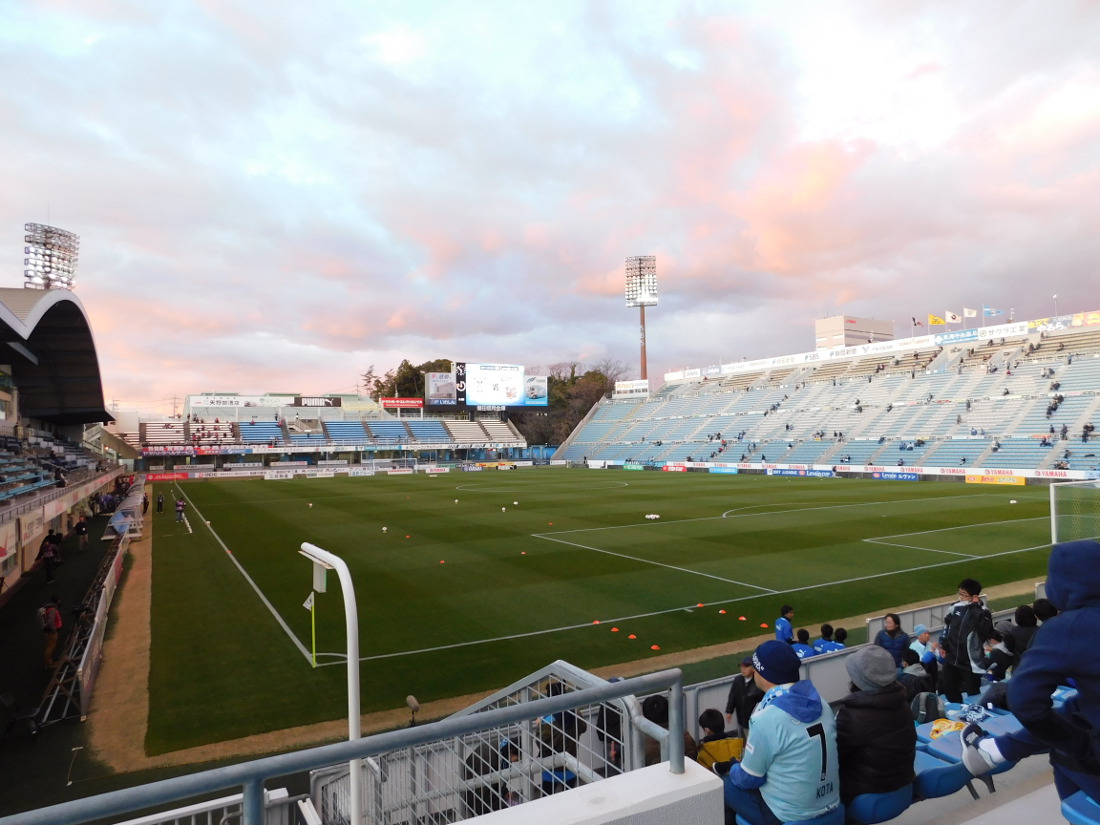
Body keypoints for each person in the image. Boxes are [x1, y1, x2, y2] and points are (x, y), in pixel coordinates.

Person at [960, 539, 1100, 805]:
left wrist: (1077, 745)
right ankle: (997, 749)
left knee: (1063, 751)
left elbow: (1024, 700)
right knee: (1075, 705)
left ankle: (997, 750)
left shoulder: (1067, 628)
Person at [716, 640, 840, 825]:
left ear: (764, 674)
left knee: (721, 786)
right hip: (831, 806)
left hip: (790, 815)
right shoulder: (822, 703)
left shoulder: (767, 718)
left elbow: (749, 779)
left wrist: (733, 768)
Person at [835, 646, 916, 805]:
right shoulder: (901, 701)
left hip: (867, 795)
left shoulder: (851, 715)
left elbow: (835, 759)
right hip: (903, 786)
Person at [939, 578, 993, 702]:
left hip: (970, 661)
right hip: (952, 656)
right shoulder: (955, 607)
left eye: (964, 594)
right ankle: (957, 708)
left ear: (974, 596)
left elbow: (985, 633)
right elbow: (947, 626)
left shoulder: (983, 612)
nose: (961, 597)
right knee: (947, 685)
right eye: (960, 593)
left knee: (973, 691)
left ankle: (974, 713)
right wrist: (943, 644)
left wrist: (975, 608)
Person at [725, 657, 764, 735]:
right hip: (743, 720)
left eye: (746, 666)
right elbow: (732, 696)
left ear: (753, 669)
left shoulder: (759, 683)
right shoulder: (737, 680)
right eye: (742, 666)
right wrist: (729, 711)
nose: (743, 669)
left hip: (756, 722)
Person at [41, 594, 63, 668]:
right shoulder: (53, 609)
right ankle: (49, 663)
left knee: (51, 646)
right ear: (57, 601)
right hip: (52, 631)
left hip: (52, 630)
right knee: (50, 647)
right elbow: (50, 621)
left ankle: (50, 662)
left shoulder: (51, 608)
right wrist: (54, 630)